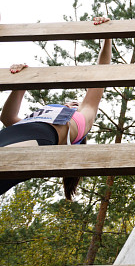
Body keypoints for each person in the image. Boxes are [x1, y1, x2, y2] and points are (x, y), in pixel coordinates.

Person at [0, 16, 112, 199]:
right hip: (11, 134)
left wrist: (107, 38)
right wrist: (20, 86)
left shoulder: (84, 116)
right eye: (68, 102)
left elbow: (102, 74)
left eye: (76, 103)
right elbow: (8, 118)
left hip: (42, 137)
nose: (71, 103)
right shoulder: (38, 116)